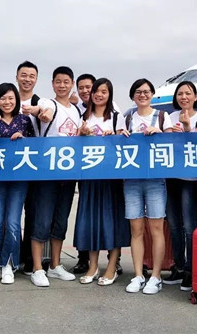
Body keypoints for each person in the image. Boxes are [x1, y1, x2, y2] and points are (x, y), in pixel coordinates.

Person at [28, 66, 82, 287]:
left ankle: (55, 265)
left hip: (68, 175)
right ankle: (37, 268)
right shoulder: (48, 102)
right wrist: (42, 113)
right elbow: (43, 110)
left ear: (72, 84)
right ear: (52, 84)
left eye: (66, 81)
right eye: (58, 81)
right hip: (47, 174)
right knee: (42, 220)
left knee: (61, 221)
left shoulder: (76, 110)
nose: (62, 85)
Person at [74, 78, 130, 286]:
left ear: (109, 94)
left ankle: (112, 266)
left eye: (104, 91)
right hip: (89, 177)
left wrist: (114, 136)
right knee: (91, 221)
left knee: (112, 220)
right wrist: (81, 134)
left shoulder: (116, 117)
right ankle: (93, 266)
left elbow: (124, 143)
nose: (99, 95)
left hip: (110, 178)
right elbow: (72, 145)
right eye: (96, 91)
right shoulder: (83, 116)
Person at [0, 83, 35, 285]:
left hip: (19, 179)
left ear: (17, 100)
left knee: (13, 222)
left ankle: (9, 264)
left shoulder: (24, 120)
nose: (7, 102)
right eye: (3, 98)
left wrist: (22, 139)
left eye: (11, 98)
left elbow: (34, 145)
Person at [122, 78, 171, 295]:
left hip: (155, 180)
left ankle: (156, 276)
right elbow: (116, 142)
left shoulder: (162, 116)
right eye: (138, 92)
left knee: (156, 229)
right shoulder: (127, 117)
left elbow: (173, 142)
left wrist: (160, 133)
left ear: (152, 94)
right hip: (131, 179)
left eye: (146, 91)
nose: (142, 95)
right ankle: (138, 275)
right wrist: (120, 135)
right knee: (136, 229)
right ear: (133, 96)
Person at [162, 81, 197, 292]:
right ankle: (178, 266)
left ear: (195, 97)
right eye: (180, 93)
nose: (184, 97)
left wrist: (187, 128)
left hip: (192, 180)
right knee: (174, 224)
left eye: (188, 93)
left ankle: (191, 269)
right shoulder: (169, 117)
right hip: (171, 177)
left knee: (189, 225)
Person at [15, 61, 42, 275]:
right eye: (24, 75)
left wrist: (40, 111)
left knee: (32, 213)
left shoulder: (41, 102)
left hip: (34, 166)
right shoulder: (8, 98)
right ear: (17, 77)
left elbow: (49, 114)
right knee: (11, 215)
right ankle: (11, 256)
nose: (27, 79)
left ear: (36, 79)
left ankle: (30, 259)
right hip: (11, 167)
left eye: (31, 76)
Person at [70, 73, 96, 274]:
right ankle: (83, 257)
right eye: (81, 87)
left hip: (106, 172)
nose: (85, 91)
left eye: (89, 87)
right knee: (84, 213)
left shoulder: (113, 111)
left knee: (108, 213)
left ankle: (114, 259)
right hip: (83, 170)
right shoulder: (76, 110)